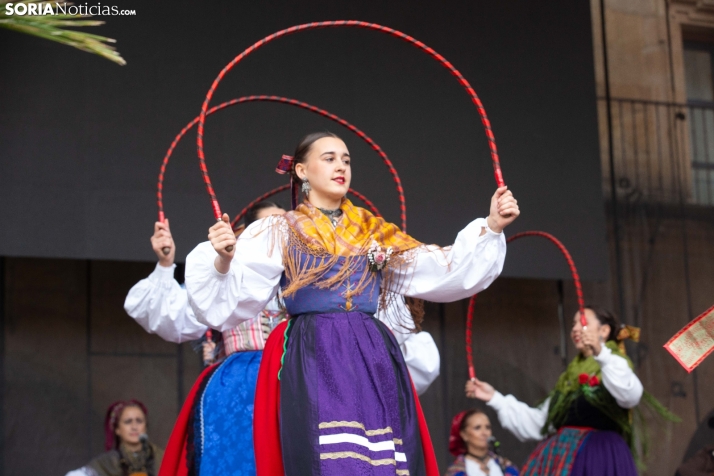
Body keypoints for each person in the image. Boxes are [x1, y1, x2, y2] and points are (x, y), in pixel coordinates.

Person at [185, 131, 519, 475]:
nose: (340, 166)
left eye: (346, 160)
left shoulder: (373, 229)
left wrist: (491, 225)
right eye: (329, 158)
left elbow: (436, 266)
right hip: (314, 351)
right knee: (327, 455)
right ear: (301, 171)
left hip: (369, 352)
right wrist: (223, 259)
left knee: (380, 456)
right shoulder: (280, 229)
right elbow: (233, 293)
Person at [466, 306, 644, 475]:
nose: (575, 329)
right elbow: (540, 423)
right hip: (564, 455)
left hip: (599, 458)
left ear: (603, 331)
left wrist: (601, 353)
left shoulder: (616, 364)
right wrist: (494, 398)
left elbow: (630, 395)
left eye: (582, 322)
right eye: (573, 324)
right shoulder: (568, 379)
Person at [66, 400, 163, 476]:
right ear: (117, 429)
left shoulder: (162, 458)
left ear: (145, 427)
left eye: (139, 421)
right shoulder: (106, 464)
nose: (134, 427)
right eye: (128, 421)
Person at [445, 409, 518, 476]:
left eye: (487, 427)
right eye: (477, 428)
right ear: (464, 435)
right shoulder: (456, 471)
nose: (484, 433)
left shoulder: (505, 466)